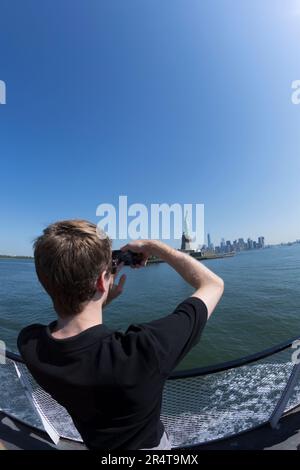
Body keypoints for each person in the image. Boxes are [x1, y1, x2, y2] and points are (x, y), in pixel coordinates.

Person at [17, 220, 224, 450]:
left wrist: (99, 299)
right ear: (101, 282)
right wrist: (154, 247)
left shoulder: (31, 344)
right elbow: (213, 285)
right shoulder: (143, 351)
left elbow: (74, 337)